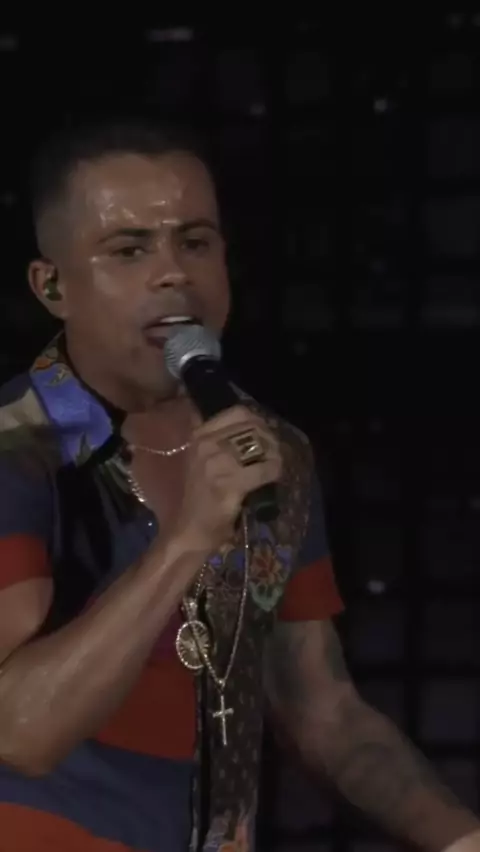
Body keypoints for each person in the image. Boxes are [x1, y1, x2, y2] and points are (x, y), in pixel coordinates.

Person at [0, 114, 478, 852]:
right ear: (53, 285)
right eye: (129, 249)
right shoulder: (17, 450)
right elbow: (21, 731)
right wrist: (189, 537)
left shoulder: (270, 450)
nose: (174, 274)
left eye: (195, 242)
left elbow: (323, 712)